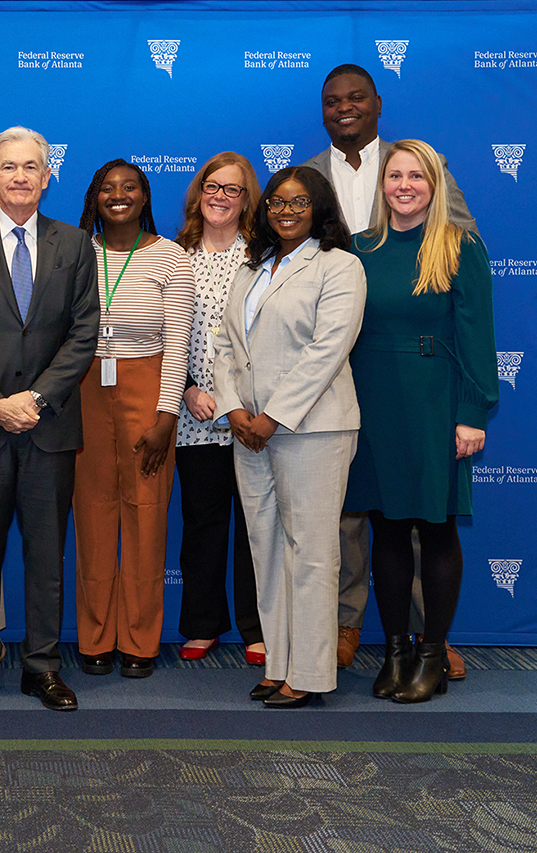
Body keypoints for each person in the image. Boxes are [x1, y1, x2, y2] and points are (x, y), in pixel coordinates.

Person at [301, 63, 476, 676]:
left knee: (423, 513)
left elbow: (456, 251)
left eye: (355, 98)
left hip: (417, 370)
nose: (344, 108)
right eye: (332, 101)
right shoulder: (306, 178)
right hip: (342, 365)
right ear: (322, 111)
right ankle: (349, 625)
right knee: (359, 509)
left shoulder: (416, 165)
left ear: (378, 103)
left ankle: (432, 636)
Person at [0, 126, 99, 712]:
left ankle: (42, 666)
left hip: (49, 426)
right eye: (9, 167)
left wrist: (37, 398)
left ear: (47, 176)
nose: (21, 177)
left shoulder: (74, 243)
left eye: (32, 167)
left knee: (46, 554)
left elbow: (84, 333)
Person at [346, 139, 497, 704]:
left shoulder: (460, 247)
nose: (404, 186)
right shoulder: (359, 249)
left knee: (435, 528)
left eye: (416, 176)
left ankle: (432, 653)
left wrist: (473, 413)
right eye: (394, 176)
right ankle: (395, 650)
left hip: (436, 401)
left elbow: (478, 338)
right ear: (381, 185)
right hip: (371, 402)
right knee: (384, 529)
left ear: (434, 184)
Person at [212, 167, 365, 708]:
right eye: (276, 201)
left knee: (313, 552)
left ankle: (313, 673)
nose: (284, 210)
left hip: (312, 429)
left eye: (298, 202)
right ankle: (278, 663)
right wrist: (233, 408)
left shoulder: (339, 266)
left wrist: (273, 416)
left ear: (320, 207)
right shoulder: (251, 267)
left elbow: (328, 351)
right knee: (266, 548)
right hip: (248, 430)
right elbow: (225, 344)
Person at [72, 159, 193, 679]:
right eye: (107, 188)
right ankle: (95, 635)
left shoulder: (170, 259)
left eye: (129, 188)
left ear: (145, 197)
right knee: (93, 513)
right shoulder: (76, 253)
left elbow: (179, 340)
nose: (117, 195)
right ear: (94, 198)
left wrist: (167, 414)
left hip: (148, 389)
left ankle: (141, 639)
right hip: (84, 389)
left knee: (146, 514)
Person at [172, 153, 266, 666]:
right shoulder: (176, 254)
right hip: (194, 415)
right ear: (198, 192)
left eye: (233, 189)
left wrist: (239, 402)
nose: (220, 197)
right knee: (202, 523)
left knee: (256, 525)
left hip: (251, 414)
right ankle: (202, 623)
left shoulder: (264, 256)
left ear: (247, 198)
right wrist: (187, 387)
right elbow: (163, 335)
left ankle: (257, 627)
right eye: (212, 186)